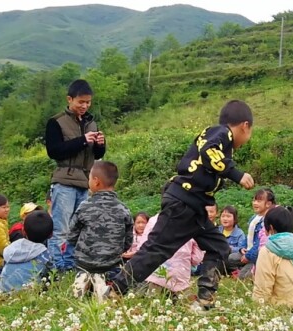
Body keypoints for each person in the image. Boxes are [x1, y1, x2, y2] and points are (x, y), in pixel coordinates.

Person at [108, 100, 256, 312]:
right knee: (157, 249)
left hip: (195, 207)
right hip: (182, 202)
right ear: (245, 126)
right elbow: (208, 151)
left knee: (219, 247)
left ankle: (205, 299)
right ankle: (115, 290)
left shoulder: (221, 139)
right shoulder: (221, 134)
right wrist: (236, 174)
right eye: (249, 132)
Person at [45, 79, 106, 273]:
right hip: (64, 181)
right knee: (61, 229)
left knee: (78, 229)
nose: (85, 106)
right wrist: (81, 141)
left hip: (85, 182)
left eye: (88, 102)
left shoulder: (91, 122)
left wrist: (99, 144)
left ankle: (72, 267)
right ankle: (57, 270)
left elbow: (97, 155)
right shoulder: (56, 122)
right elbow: (54, 151)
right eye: (81, 102)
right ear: (70, 99)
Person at [67, 161, 133, 301]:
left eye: (89, 177)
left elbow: (72, 235)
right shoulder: (123, 209)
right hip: (111, 264)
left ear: (96, 182)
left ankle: (83, 283)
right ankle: (106, 288)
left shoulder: (84, 207)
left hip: (85, 263)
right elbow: (128, 241)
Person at [144, 214, 204, 295]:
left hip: (156, 271)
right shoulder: (194, 223)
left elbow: (144, 244)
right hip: (180, 273)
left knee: (153, 301)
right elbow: (197, 257)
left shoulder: (154, 220)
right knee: (184, 303)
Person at [0, 211, 54, 293]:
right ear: (51, 234)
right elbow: (53, 275)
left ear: (23, 230)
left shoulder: (12, 248)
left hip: (2, 293)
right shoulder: (45, 254)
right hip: (28, 294)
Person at [238, 188, 275, 279]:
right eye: (254, 200)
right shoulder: (255, 218)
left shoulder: (269, 219)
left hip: (259, 254)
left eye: (259, 201)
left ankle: (252, 268)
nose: (255, 203)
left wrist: (248, 256)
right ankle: (248, 266)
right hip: (249, 250)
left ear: (268, 204)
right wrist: (242, 248)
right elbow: (249, 236)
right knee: (231, 258)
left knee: (243, 276)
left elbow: (261, 243)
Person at [218, 205, 247, 273]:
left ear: (235, 219)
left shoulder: (240, 233)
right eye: (223, 216)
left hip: (231, 258)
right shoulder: (217, 230)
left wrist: (230, 248)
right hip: (219, 257)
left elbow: (242, 249)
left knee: (231, 257)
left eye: (228, 216)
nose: (225, 219)